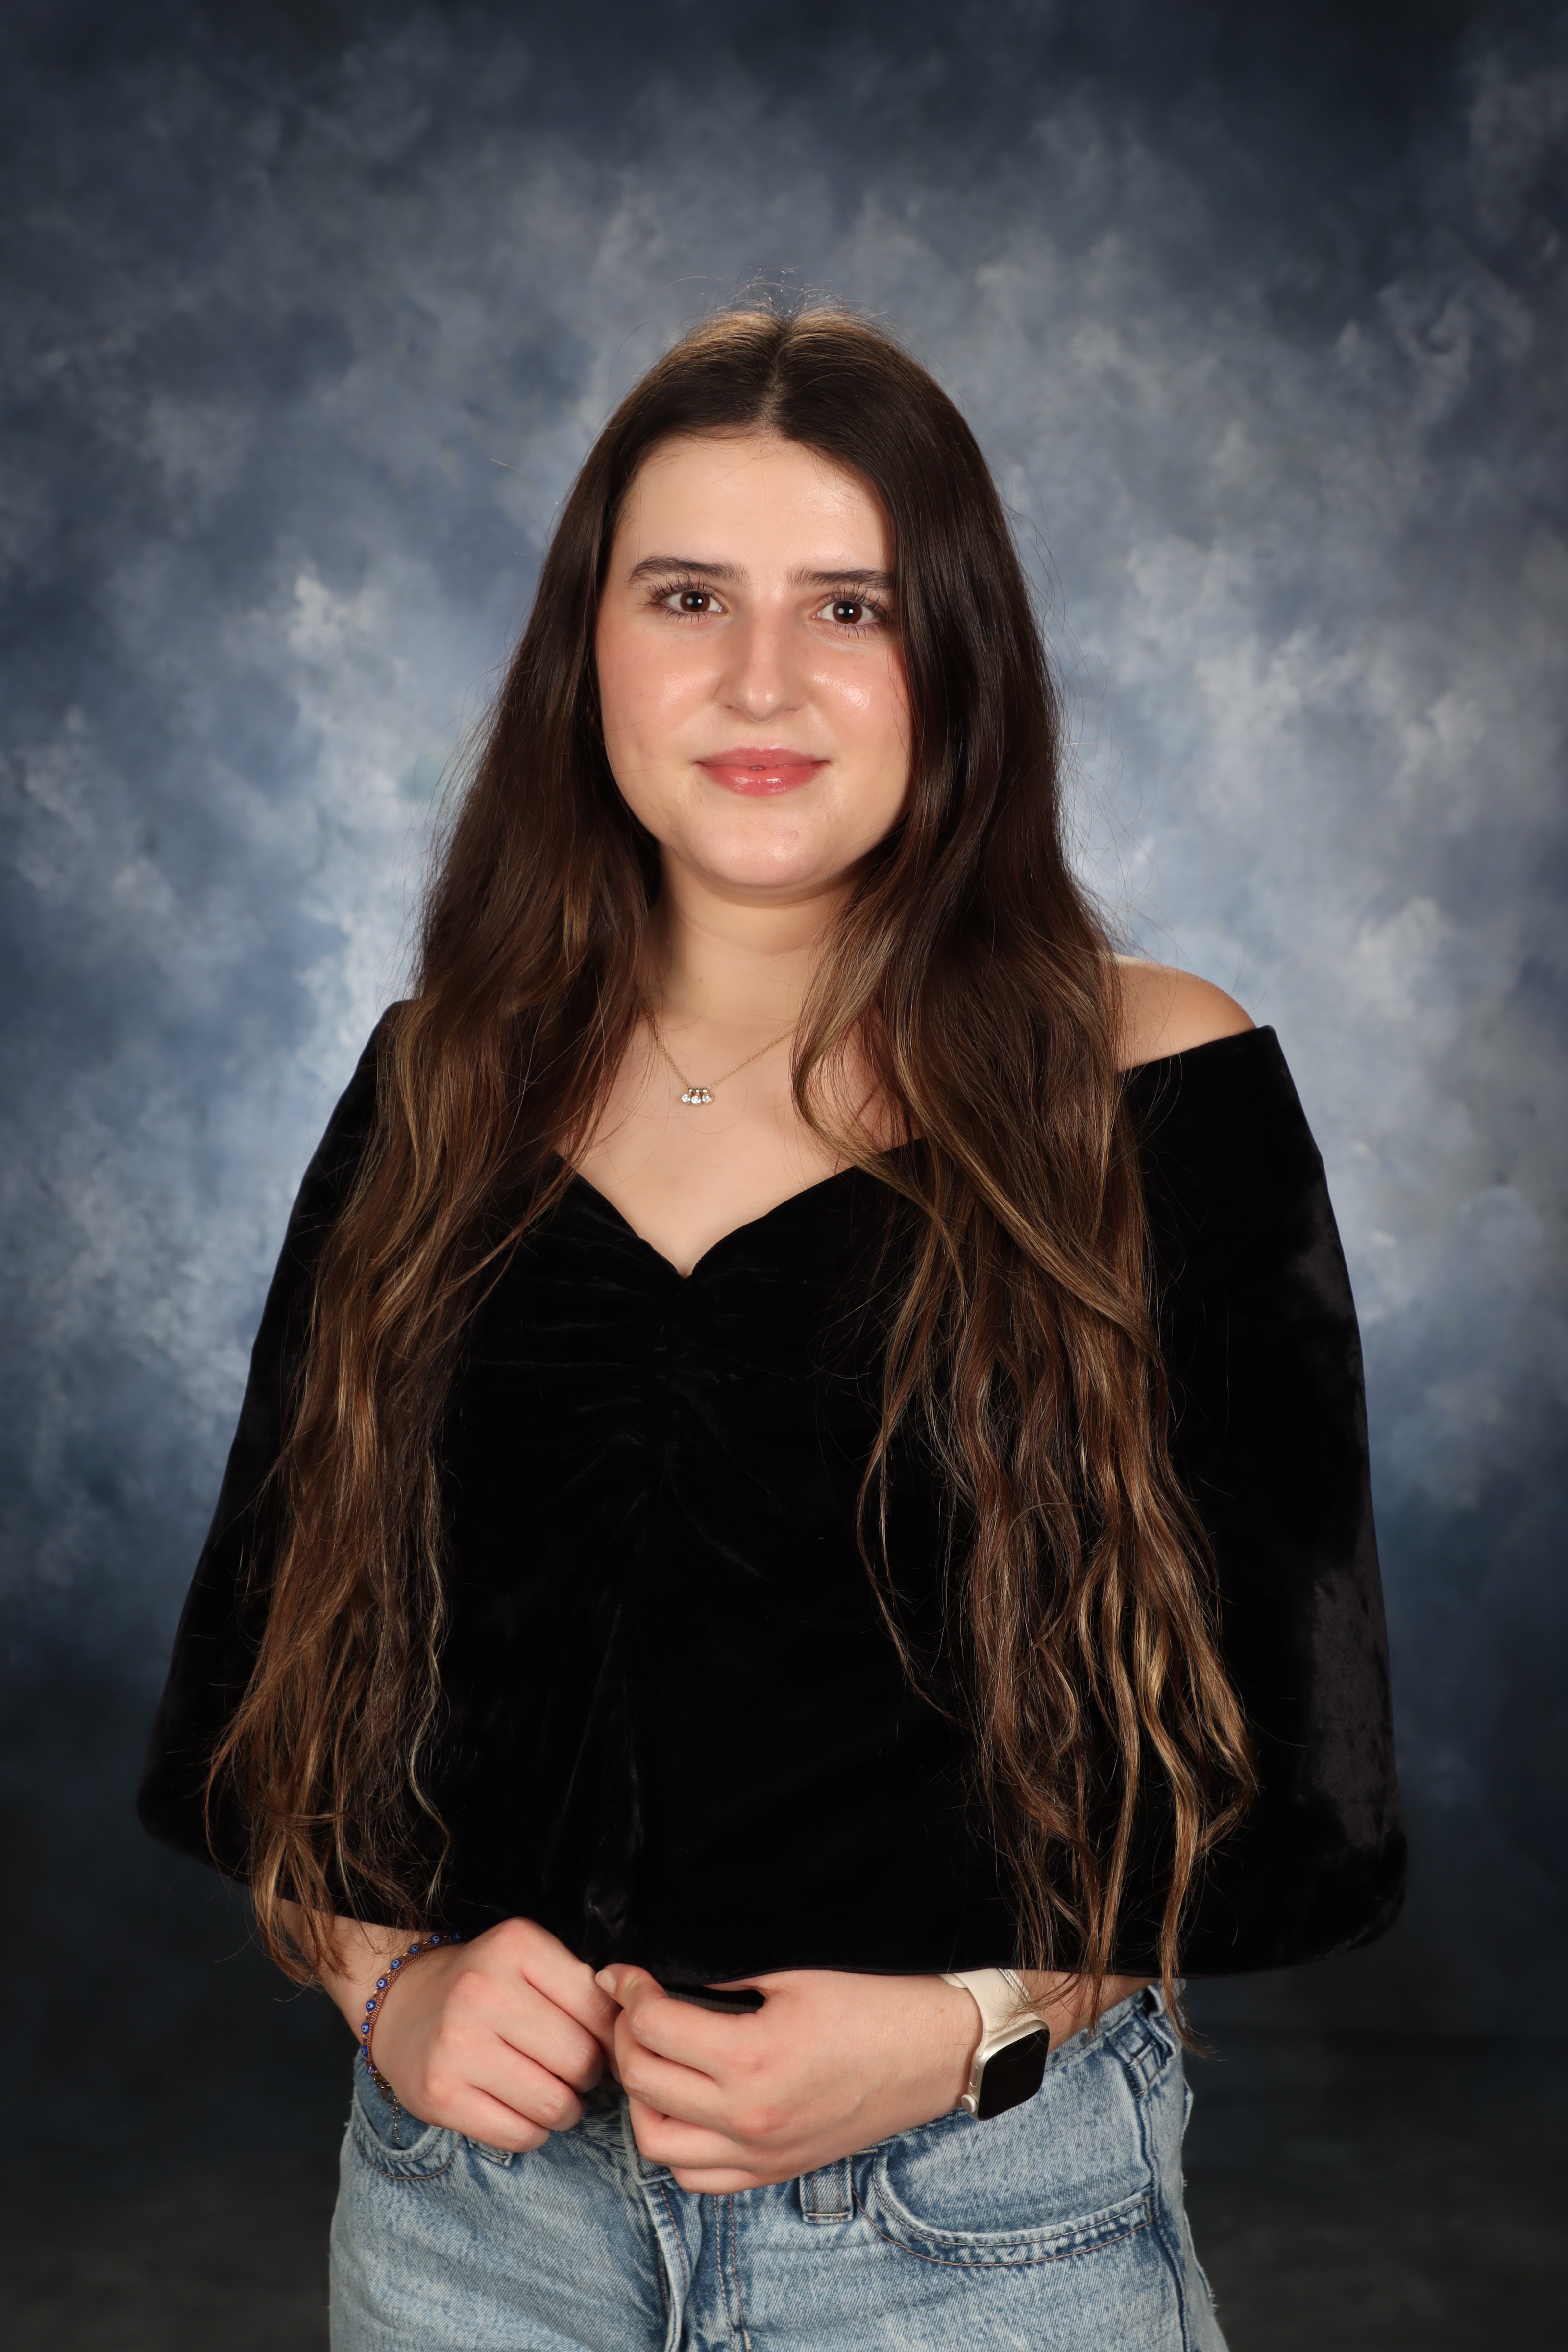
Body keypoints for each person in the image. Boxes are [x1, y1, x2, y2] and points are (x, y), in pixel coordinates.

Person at [139, 301, 1404, 2351]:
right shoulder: (437, 1083)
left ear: (957, 656)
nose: (759, 679)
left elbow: (1295, 1776)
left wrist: (968, 2027)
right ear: (588, 651)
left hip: (975, 2242)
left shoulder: (1148, 1081)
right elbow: (265, 1710)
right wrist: (394, 1990)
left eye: (849, 606)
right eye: (687, 596)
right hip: (474, 2243)